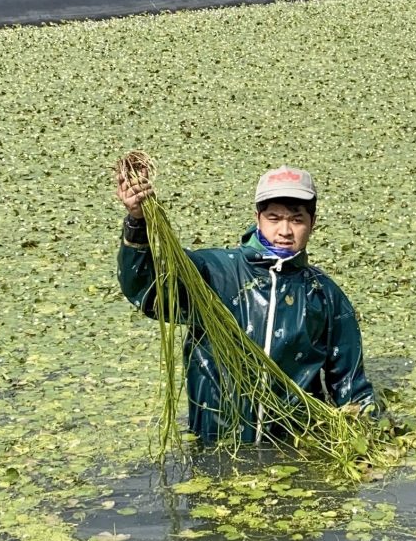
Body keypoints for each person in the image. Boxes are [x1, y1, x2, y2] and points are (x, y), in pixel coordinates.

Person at [117, 165, 378, 443]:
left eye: (297, 220)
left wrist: (366, 437)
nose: (285, 231)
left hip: (292, 448)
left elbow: (350, 386)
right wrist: (137, 224)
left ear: (313, 222)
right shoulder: (213, 273)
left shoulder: (324, 295)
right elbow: (148, 292)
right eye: (274, 218)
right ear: (258, 219)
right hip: (215, 443)